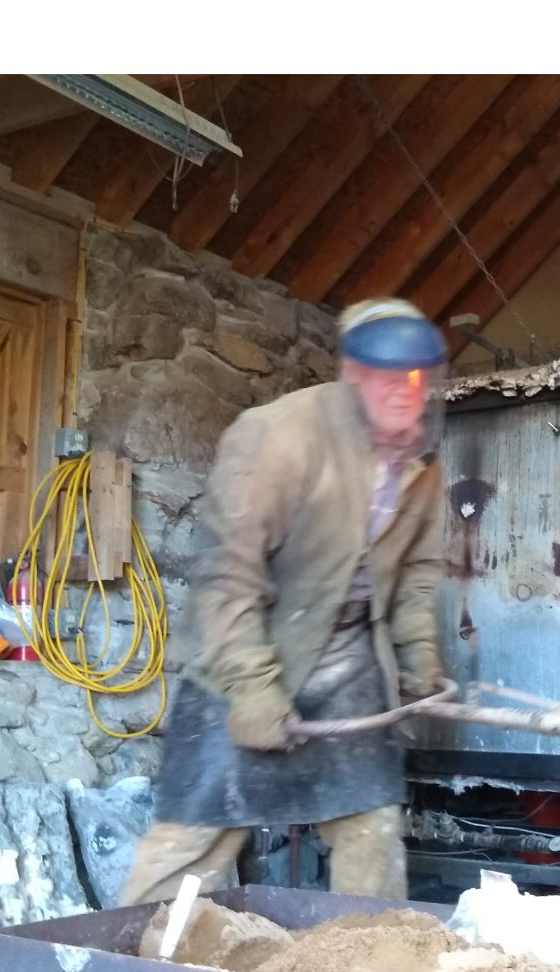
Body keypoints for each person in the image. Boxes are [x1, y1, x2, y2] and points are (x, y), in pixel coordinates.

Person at [120, 298, 449, 905]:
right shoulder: (276, 436)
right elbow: (228, 574)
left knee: (371, 834)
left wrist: (419, 653)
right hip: (251, 647)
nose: (405, 393)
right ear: (353, 374)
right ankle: (126, 964)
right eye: (386, 375)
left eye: (416, 378)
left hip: (350, 657)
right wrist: (251, 687)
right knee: (193, 840)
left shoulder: (420, 462)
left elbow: (418, 572)